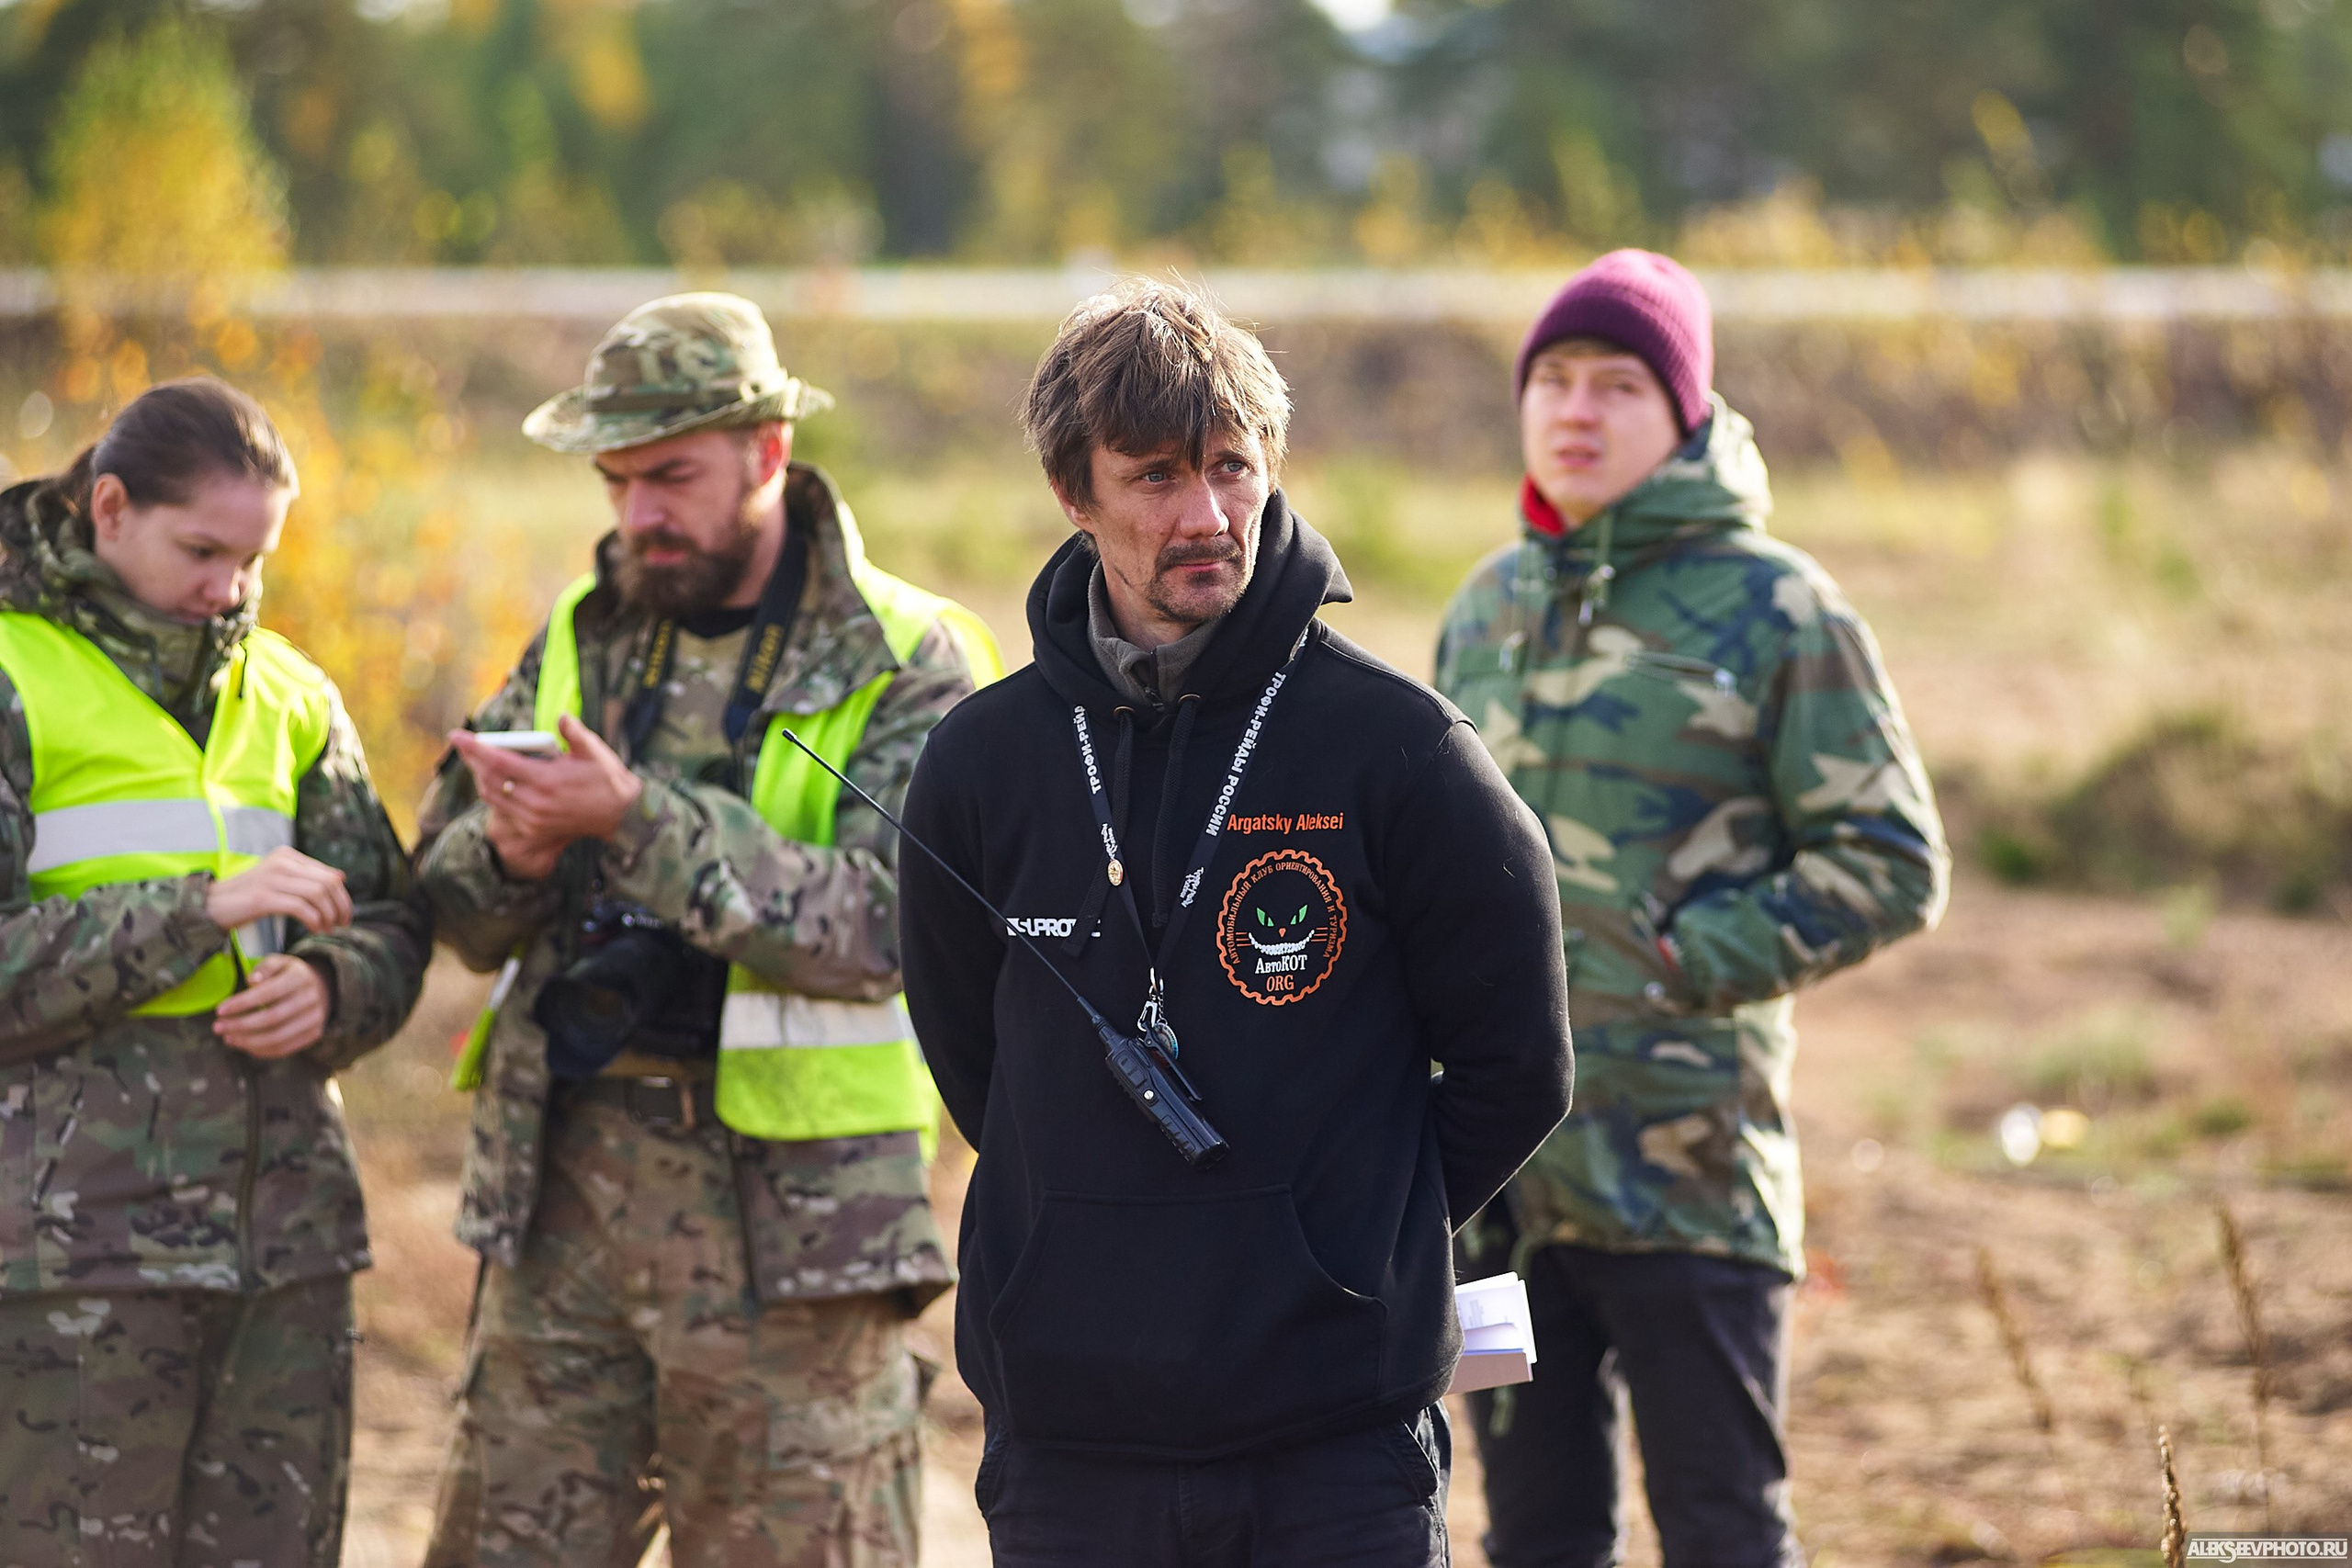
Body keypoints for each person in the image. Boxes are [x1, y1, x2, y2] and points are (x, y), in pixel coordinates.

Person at [897, 277, 1575, 1567]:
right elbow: (978, 1071)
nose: (1205, 516)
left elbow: (1517, 1066)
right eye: (1153, 476)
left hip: (1334, 1451)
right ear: (1074, 496)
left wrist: (1341, 1236)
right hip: (1069, 1451)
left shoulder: (1402, 751)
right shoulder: (982, 763)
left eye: (1231, 467)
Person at [414, 293, 1001, 1567]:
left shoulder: (910, 658)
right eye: (617, 481)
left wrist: (634, 821)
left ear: (770, 454)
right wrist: (509, 851)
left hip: (795, 1243)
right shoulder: (583, 633)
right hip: (562, 1211)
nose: (639, 516)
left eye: (671, 475)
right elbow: (447, 903)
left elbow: (897, 923)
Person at [1433, 249, 1951, 1568]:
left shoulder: (1779, 606)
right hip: (1507, 1183)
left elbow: (1890, 856)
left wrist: (1681, 955)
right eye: (1552, 379)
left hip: (1691, 1183)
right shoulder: (1490, 606)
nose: (1577, 410)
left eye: (1618, 383)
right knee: (1537, 1538)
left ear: (1687, 412)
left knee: (1723, 1534)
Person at [0, 378, 431, 1565]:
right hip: (71, 1266)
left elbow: (394, 923)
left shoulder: (289, 691)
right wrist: (196, 911)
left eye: (253, 562)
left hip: (284, 1259)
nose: (227, 591)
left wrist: (336, 986)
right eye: (202, 551)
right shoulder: (10, 677)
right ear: (107, 508)